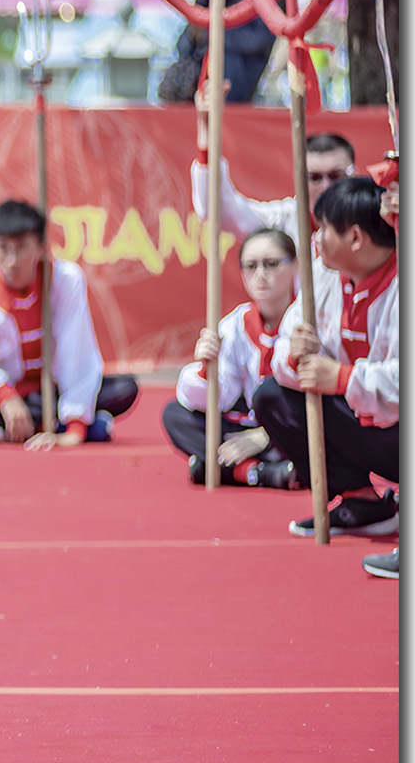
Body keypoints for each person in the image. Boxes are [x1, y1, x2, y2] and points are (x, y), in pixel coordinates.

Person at [254, 175, 399, 542]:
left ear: (354, 238)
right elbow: (285, 346)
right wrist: (295, 358)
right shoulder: (322, 274)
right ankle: (360, 500)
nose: (315, 239)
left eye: (323, 230)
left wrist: (341, 378)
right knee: (272, 397)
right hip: (363, 426)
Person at [0, 199, 140, 447]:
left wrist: (74, 429)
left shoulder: (65, 281)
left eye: (21, 248)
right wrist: (2, 391)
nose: (11, 260)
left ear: (41, 247)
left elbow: (77, 354)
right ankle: (41, 424)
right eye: (3, 248)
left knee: (124, 388)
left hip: (54, 393)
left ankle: (20, 427)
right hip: (2, 399)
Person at [165, 227, 302, 487]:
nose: (260, 274)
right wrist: (207, 371)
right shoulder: (234, 325)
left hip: (290, 429)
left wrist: (265, 436)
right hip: (244, 426)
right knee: (174, 415)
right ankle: (255, 472)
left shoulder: (309, 319)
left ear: (295, 265)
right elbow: (223, 399)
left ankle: (219, 467)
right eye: (251, 266)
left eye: (271, 264)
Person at [189, 77, 355, 238]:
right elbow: (218, 209)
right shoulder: (285, 220)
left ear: (354, 175)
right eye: (314, 177)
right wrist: (206, 128)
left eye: (336, 176)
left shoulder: (373, 220)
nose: (325, 186)